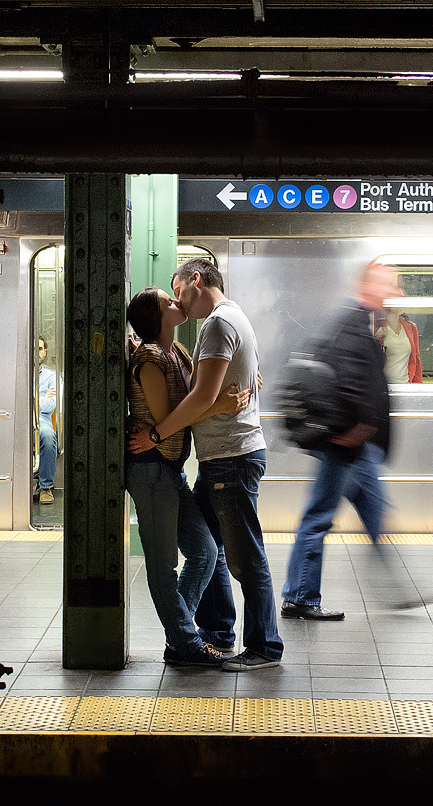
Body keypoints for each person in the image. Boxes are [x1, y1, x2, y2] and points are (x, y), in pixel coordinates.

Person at [129, 259, 283, 672]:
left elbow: (199, 396)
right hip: (218, 459)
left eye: (176, 289)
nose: (176, 299)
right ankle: (209, 633)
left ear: (195, 280)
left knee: (244, 556)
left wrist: (158, 434)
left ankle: (264, 646)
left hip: (230, 458)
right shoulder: (225, 320)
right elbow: (207, 387)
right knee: (209, 551)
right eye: (169, 300)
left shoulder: (217, 324)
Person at [281, 260, 403, 620]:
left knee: (375, 511)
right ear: (369, 286)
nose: (396, 292)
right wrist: (360, 427)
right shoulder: (354, 323)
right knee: (319, 515)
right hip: (347, 446)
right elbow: (350, 381)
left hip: (354, 447)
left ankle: (395, 585)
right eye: (390, 284)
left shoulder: (358, 322)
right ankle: (300, 596)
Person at [376, 307, 422, 384]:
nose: (400, 303)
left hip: (405, 383)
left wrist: (418, 385)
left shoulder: (411, 327)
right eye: (396, 300)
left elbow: (416, 358)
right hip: (384, 385)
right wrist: (376, 338)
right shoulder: (378, 326)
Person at [37, 336, 58, 504]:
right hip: (21, 415)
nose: (37, 353)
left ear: (45, 352)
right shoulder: (19, 373)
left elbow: (51, 406)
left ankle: (45, 487)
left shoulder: (52, 376)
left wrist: (35, 402)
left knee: (48, 436)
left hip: (41, 417)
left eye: (40, 349)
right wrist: (42, 398)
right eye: (34, 348)